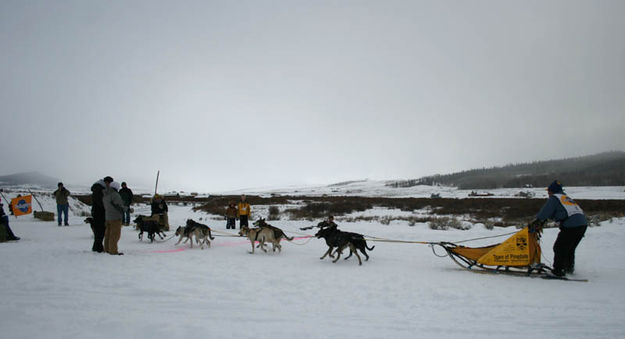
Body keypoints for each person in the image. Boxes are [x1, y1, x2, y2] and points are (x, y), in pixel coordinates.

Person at [532, 180, 588, 277]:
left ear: (552, 191)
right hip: (582, 225)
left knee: (559, 247)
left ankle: (558, 271)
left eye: (548, 191)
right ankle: (568, 268)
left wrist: (537, 221)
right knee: (569, 249)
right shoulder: (565, 198)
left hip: (571, 225)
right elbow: (560, 211)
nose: (548, 193)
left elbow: (545, 212)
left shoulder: (554, 198)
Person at [102, 177, 127, 255]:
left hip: (108, 217)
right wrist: (126, 208)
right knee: (115, 235)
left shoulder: (105, 194)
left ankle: (107, 249)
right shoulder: (115, 195)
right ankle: (113, 251)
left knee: (108, 234)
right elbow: (119, 206)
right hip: (115, 217)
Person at [90, 178, 106, 252]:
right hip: (99, 213)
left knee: (98, 231)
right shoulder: (99, 190)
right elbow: (101, 203)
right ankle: (98, 248)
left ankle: (96, 247)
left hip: (96, 212)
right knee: (100, 231)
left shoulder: (96, 189)